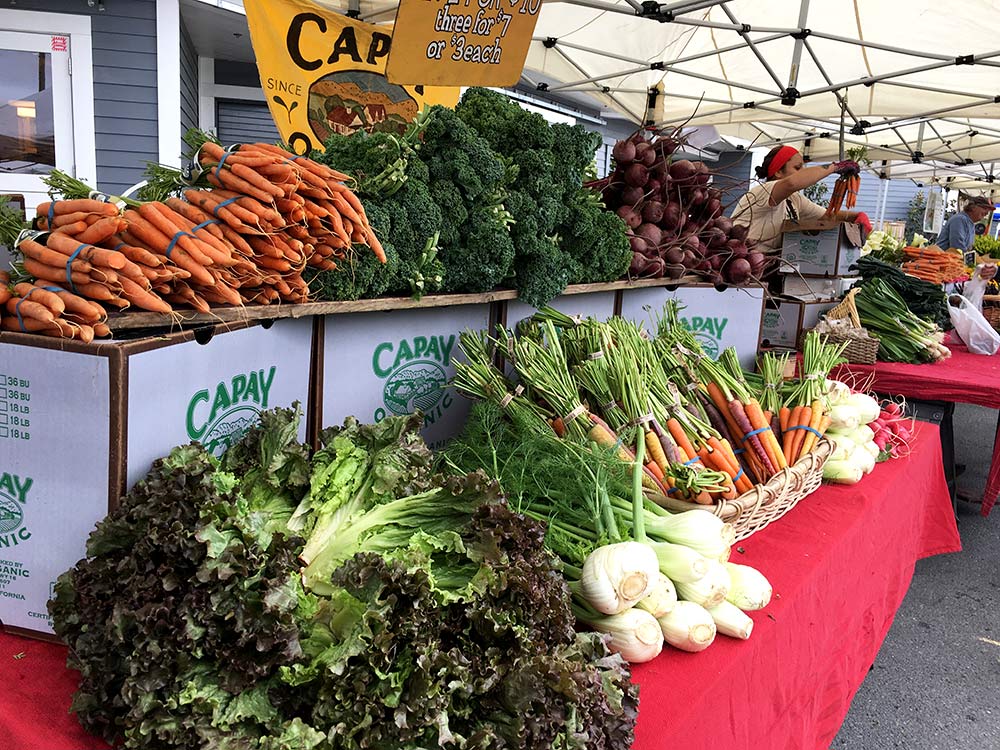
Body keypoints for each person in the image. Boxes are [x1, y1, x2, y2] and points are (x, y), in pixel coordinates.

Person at [730, 145, 872, 253]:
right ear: (778, 172)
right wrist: (835, 167)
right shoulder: (763, 190)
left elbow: (827, 216)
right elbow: (791, 183)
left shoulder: (794, 199)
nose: (802, 172)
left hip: (767, 266)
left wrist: (856, 216)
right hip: (742, 260)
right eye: (798, 168)